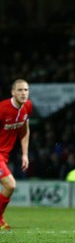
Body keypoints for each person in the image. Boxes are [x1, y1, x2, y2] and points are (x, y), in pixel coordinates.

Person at [0, 79, 32, 230]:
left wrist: (25, 154)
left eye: (26, 90)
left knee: (8, 187)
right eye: (20, 90)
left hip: (4, 155)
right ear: (12, 92)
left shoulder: (28, 107)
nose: (23, 93)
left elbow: (25, 130)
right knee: (10, 184)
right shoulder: (2, 109)